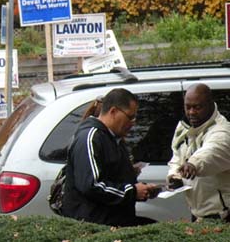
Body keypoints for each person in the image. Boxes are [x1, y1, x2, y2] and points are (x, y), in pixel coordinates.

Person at [62, 88, 158, 227]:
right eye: (130, 117)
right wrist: (132, 192)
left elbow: (111, 176)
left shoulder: (115, 139)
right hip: (95, 226)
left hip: (116, 221)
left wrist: (140, 187)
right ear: (113, 112)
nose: (133, 123)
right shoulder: (89, 138)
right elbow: (91, 185)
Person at [167, 83, 230, 223]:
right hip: (199, 216)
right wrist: (174, 175)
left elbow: (213, 150)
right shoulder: (183, 128)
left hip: (228, 217)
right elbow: (176, 155)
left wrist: (193, 164)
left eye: (197, 107)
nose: (191, 112)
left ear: (210, 104)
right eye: (188, 107)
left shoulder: (223, 130)